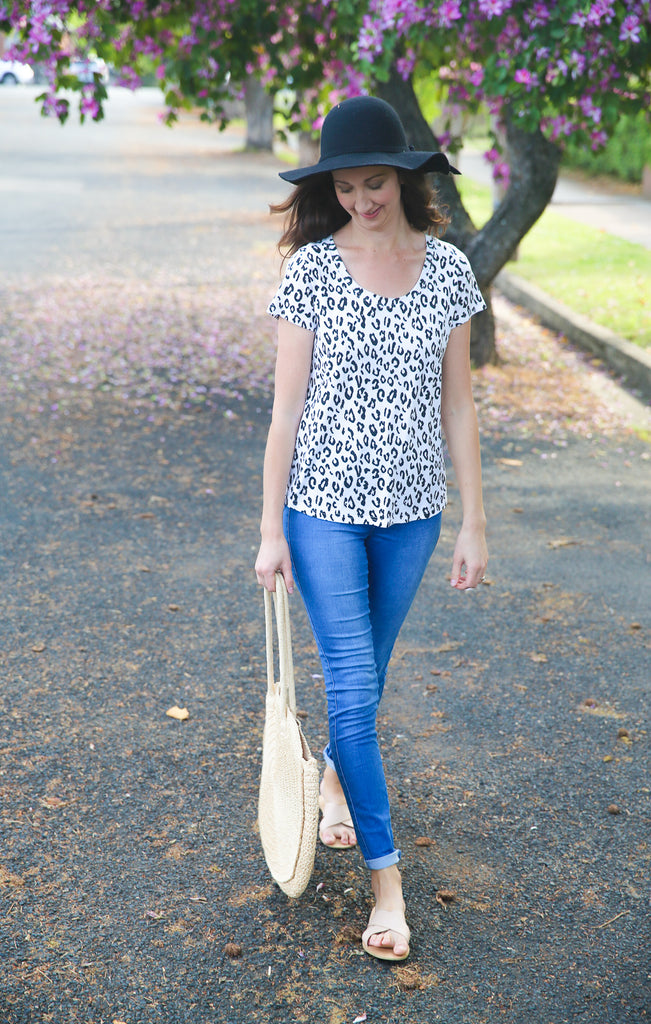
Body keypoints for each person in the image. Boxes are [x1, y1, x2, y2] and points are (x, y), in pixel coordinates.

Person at [255, 95, 488, 962]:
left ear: (406, 177)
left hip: (412, 516)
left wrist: (473, 521)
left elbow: (458, 403)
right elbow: (283, 415)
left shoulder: (449, 271)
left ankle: (332, 781)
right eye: (346, 187)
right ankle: (387, 884)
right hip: (319, 510)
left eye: (375, 183)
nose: (361, 200)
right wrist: (270, 530)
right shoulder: (311, 272)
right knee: (352, 693)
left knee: (367, 682)